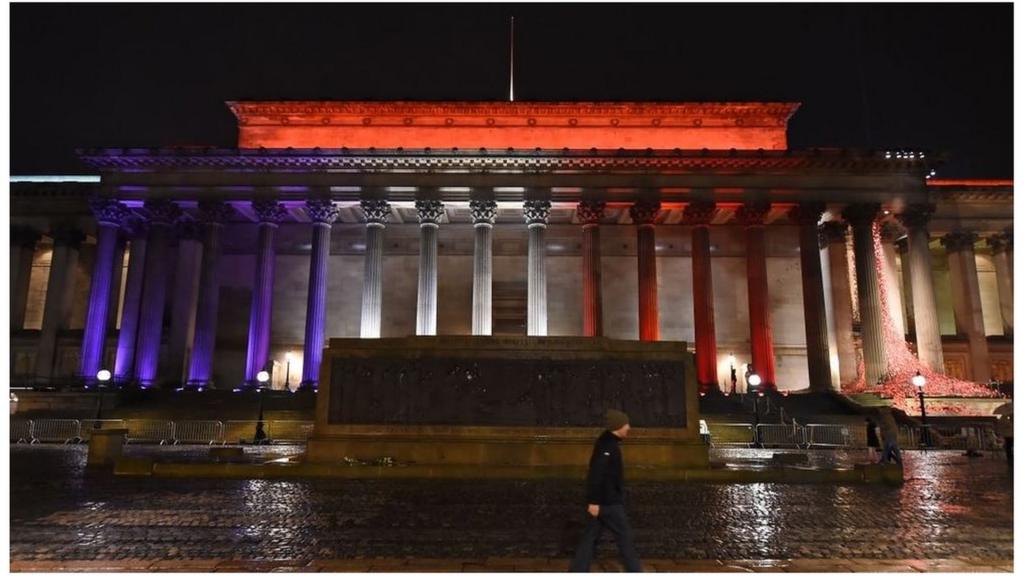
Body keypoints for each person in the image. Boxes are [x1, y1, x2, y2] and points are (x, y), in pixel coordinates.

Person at [569, 409, 642, 572]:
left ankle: (577, 571)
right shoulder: (607, 446)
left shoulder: (607, 443)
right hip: (608, 503)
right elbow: (596, 474)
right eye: (626, 424)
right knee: (625, 538)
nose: (629, 427)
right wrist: (593, 502)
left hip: (603, 502)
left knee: (590, 538)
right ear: (618, 426)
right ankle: (635, 571)